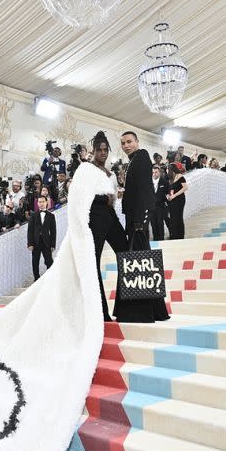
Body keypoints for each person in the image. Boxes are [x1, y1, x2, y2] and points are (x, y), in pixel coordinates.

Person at [115, 131, 170, 323]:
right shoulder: (133, 161)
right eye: (123, 143)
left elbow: (144, 190)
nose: (126, 145)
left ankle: (142, 311)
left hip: (138, 218)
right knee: (140, 260)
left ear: (137, 142)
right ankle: (152, 310)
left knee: (140, 262)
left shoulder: (142, 156)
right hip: (134, 217)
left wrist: (139, 220)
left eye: (129, 142)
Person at [87, 131, 129, 322]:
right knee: (93, 262)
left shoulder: (111, 175)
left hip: (110, 215)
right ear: (93, 151)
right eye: (99, 150)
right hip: (95, 218)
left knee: (126, 253)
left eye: (106, 150)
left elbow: (112, 199)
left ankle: (124, 307)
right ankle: (101, 312)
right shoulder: (87, 170)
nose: (103, 153)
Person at [27, 195, 56, 281]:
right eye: (39, 202)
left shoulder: (51, 216)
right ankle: (36, 278)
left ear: (46, 202)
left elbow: (53, 231)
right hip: (35, 242)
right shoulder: (33, 215)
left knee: (49, 261)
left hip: (47, 242)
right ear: (37, 203)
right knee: (35, 261)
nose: (41, 204)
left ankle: (50, 278)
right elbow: (30, 230)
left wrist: (53, 244)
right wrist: (30, 243)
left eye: (43, 202)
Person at [167, 164, 188, 240]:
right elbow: (170, 190)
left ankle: (180, 235)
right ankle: (174, 234)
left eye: (168, 169)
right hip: (172, 200)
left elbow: (185, 187)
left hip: (179, 199)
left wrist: (175, 195)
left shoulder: (180, 176)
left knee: (179, 217)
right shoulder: (170, 178)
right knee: (173, 217)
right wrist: (169, 196)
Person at [151, 165, 170, 241]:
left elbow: (168, 192)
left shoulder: (164, 182)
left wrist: (168, 198)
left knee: (160, 222)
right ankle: (155, 239)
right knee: (153, 223)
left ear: (159, 173)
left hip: (160, 206)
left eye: (156, 172)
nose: (154, 174)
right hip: (151, 206)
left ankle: (161, 238)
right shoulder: (148, 182)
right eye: (153, 172)